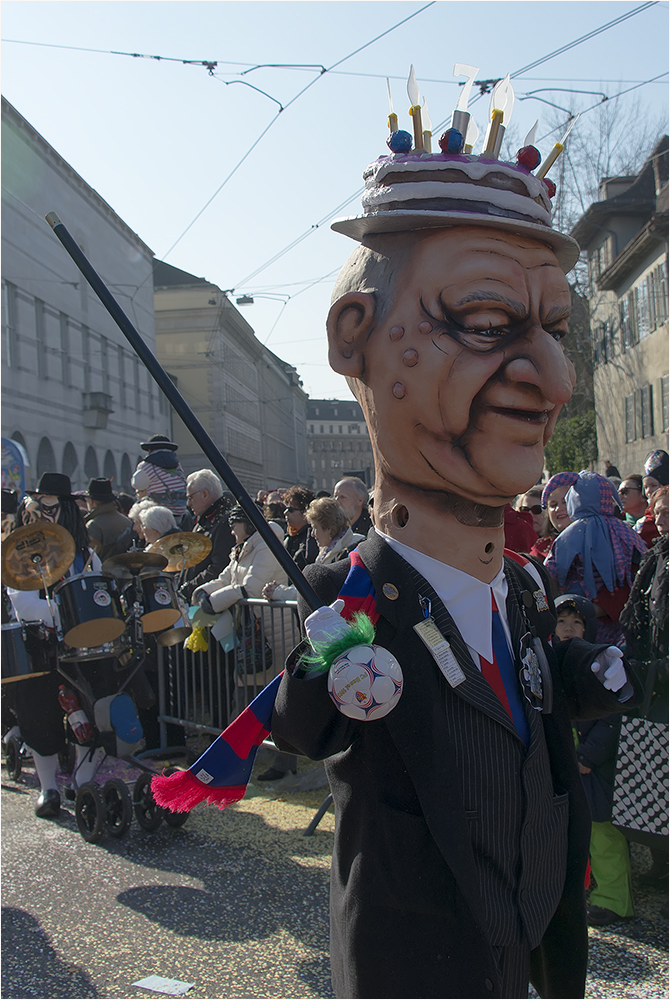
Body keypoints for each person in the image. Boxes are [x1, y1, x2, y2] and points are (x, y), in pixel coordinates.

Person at [270, 119, 640, 1000]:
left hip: (530, 940)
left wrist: (587, 670)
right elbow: (301, 728)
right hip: (417, 954)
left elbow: (527, 689)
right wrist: (328, 662)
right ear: (356, 334)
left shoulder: (524, 581)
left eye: (555, 329)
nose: (554, 379)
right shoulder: (350, 588)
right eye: (484, 321)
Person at [5, 473, 104, 818]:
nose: (42, 516)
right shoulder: (20, 555)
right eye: (38, 507)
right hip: (38, 650)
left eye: (50, 507)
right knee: (38, 716)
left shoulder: (87, 554)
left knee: (93, 711)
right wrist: (63, 615)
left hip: (83, 647)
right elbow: (25, 604)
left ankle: (82, 781)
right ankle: (48, 788)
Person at [552, 595, 634, 927]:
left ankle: (615, 900)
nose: (569, 629)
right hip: (565, 761)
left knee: (602, 834)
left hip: (592, 765)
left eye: (577, 623)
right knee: (574, 833)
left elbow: (612, 718)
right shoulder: (547, 658)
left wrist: (588, 755)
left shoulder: (601, 664)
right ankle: (586, 889)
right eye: (562, 622)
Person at [616, 485, 668, 890]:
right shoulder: (655, 556)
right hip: (655, 677)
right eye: (658, 511)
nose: (661, 518)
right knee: (657, 777)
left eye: (668, 512)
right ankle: (659, 862)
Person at [193, 505, 288, 726]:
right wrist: (202, 593)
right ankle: (245, 751)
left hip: (271, 631)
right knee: (246, 696)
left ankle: (281, 758)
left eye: (233, 524)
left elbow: (250, 588)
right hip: (250, 630)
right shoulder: (243, 548)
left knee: (275, 700)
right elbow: (226, 578)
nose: (230, 530)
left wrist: (212, 603)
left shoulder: (267, 546)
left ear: (246, 524)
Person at [544, 471, 647, 645]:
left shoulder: (569, 536)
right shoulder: (626, 532)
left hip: (575, 625)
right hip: (618, 626)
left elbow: (548, 573)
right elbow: (641, 567)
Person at [180, 470, 234, 604]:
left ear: (205, 494)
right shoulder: (203, 522)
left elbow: (219, 567)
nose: (188, 504)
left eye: (190, 497)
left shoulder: (224, 523)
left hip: (211, 601)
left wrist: (189, 588)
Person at [131, 434, 190, 527]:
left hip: (159, 515)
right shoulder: (177, 466)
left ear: (150, 450)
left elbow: (136, 484)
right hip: (181, 513)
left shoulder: (148, 465)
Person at [84, 478, 133, 562]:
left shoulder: (94, 525)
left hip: (103, 572)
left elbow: (90, 558)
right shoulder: (127, 521)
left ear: (92, 501)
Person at [281, 486, 318, 571]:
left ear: (305, 512)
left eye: (290, 509)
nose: (285, 513)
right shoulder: (289, 536)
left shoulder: (313, 538)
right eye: (285, 508)